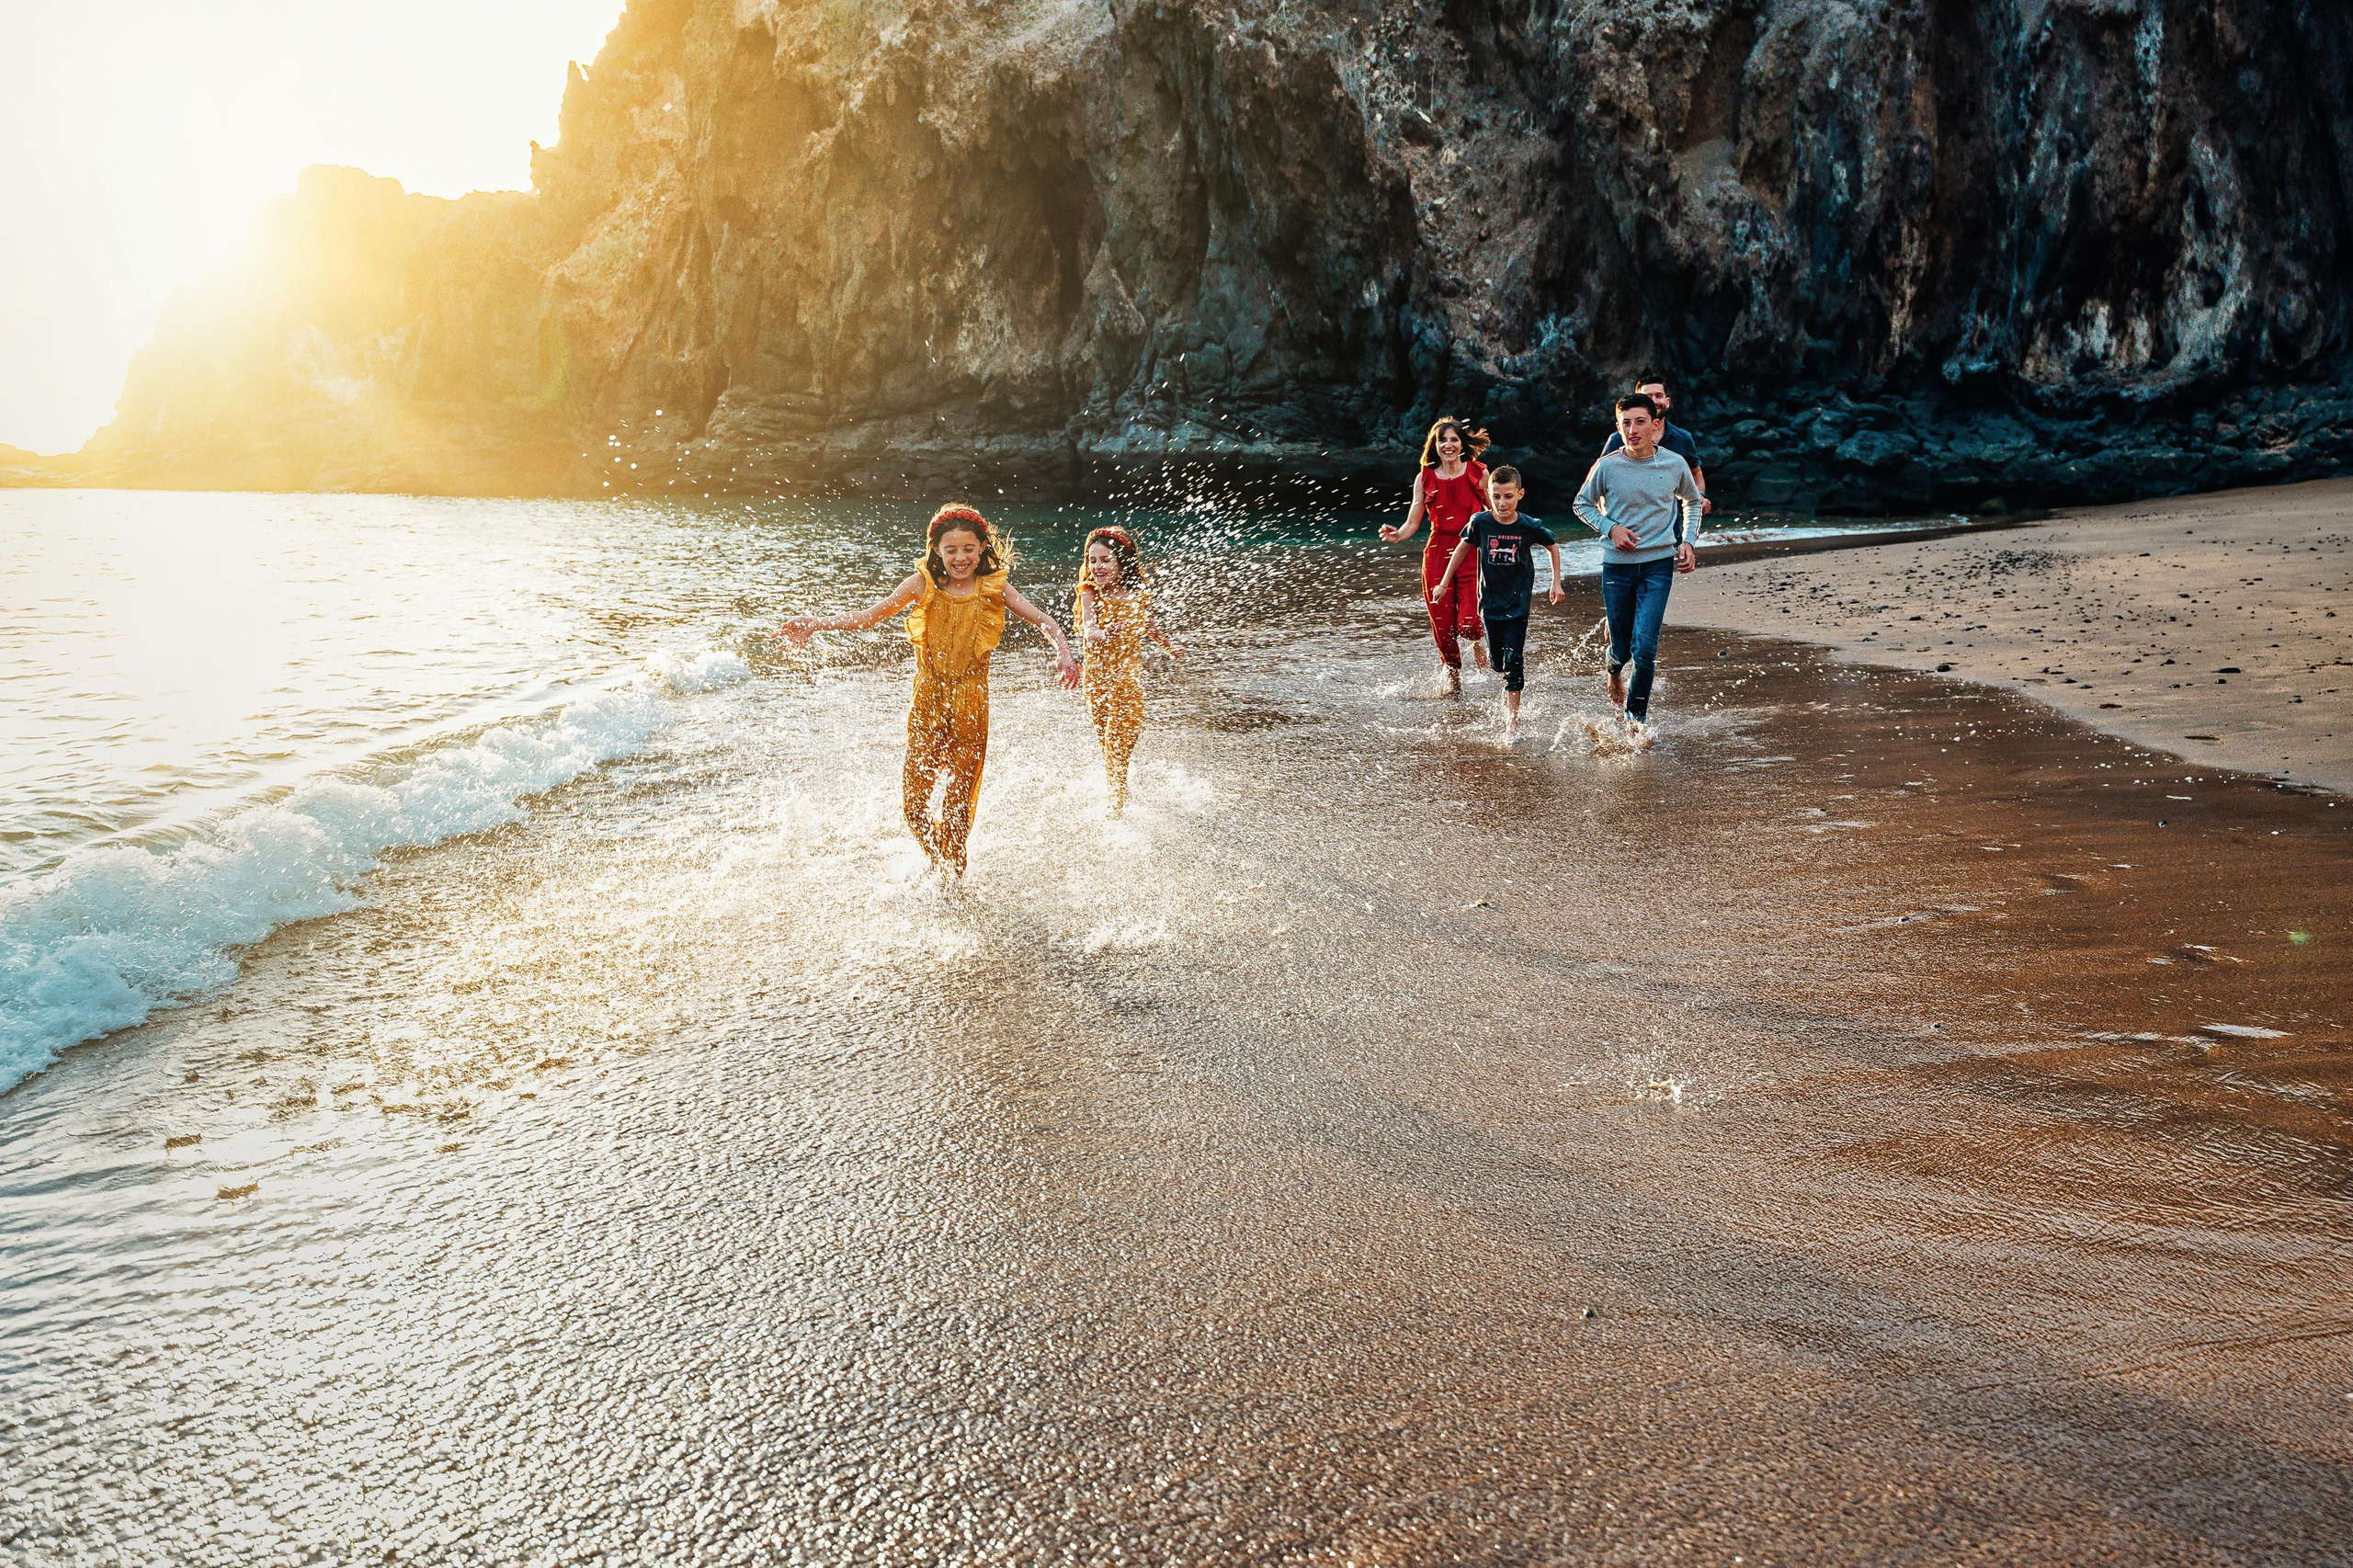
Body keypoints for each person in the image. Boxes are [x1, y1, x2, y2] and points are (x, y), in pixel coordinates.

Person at [777, 504, 1079, 877]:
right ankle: (940, 861)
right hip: (928, 698)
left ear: (982, 547)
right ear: (936, 550)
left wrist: (1064, 652)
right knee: (914, 807)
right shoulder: (922, 584)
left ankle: (953, 879)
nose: (960, 558)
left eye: (968, 549)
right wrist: (816, 623)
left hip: (971, 702)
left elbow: (1043, 620)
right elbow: (868, 617)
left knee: (957, 807)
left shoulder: (995, 585)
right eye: (950, 550)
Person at [1572, 393, 1705, 749]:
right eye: (1625, 423)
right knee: (1622, 649)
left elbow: (1692, 501)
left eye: (1640, 422)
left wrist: (1688, 540)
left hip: (1659, 565)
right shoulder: (1607, 466)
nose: (1633, 430)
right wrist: (1611, 528)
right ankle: (1613, 668)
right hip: (1617, 567)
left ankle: (1635, 721)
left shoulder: (1675, 464)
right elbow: (1581, 503)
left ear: (1655, 425)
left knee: (1645, 648)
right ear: (1618, 427)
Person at [1430, 466, 1563, 742]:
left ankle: (1511, 725)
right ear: (1488, 494)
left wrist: (1556, 582)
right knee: (1498, 664)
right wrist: (1444, 583)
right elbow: (1462, 548)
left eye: (1508, 497)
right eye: (1496, 497)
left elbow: (1552, 545)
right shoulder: (1481, 523)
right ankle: (1504, 683)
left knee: (1514, 664)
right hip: (1489, 605)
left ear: (1520, 495)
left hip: (1518, 604)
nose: (1502, 503)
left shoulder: (1528, 526)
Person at [1379, 416, 1494, 691]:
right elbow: (1413, 522)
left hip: (1471, 551)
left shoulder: (1479, 473)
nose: (1448, 445)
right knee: (1443, 627)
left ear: (1462, 443)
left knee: (1467, 623)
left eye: (1454, 439)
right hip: (1437, 553)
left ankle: (1478, 640)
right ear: (1435, 444)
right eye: (1443, 440)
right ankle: (1453, 681)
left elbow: (1495, 512)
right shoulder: (1425, 477)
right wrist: (1398, 535)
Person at [1075, 525, 1181, 815]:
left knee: (1120, 737)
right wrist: (1105, 631)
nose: (1097, 567)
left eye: (1105, 560)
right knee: (1105, 741)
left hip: (1128, 679)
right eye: (1092, 560)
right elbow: (1089, 631)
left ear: (1122, 561)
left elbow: (1147, 624)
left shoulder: (1139, 593)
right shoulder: (1090, 593)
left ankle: (1115, 805)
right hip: (1098, 680)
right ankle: (1117, 790)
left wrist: (1169, 647)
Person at [1599, 374, 1711, 516]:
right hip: (1628, 526)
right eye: (1647, 397)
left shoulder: (1683, 438)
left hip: (1670, 527)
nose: (1654, 401)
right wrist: (1609, 523)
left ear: (1668, 401)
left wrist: (1700, 496)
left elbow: (1695, 472)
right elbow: (1599, 482)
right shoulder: (1618, 439)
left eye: (1659, 396)